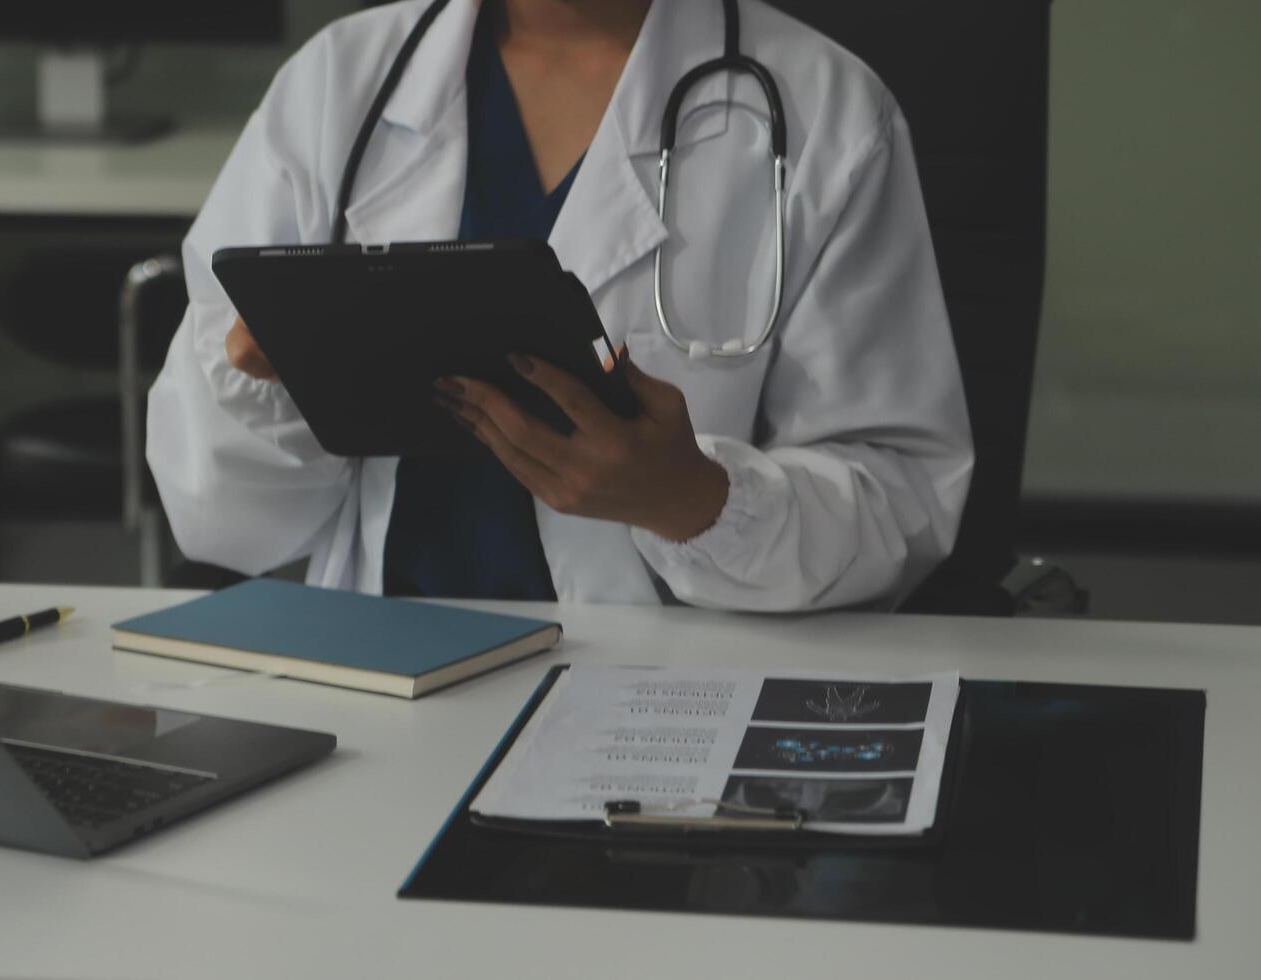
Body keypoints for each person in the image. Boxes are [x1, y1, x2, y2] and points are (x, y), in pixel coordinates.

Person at [147, 0, 972, 612]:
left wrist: (696, 503)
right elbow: (221, 522)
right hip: (383, 677)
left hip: (672, 707)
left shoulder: (827, 111)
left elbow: (902, 499)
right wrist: (262, 374)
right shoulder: (337, 86)